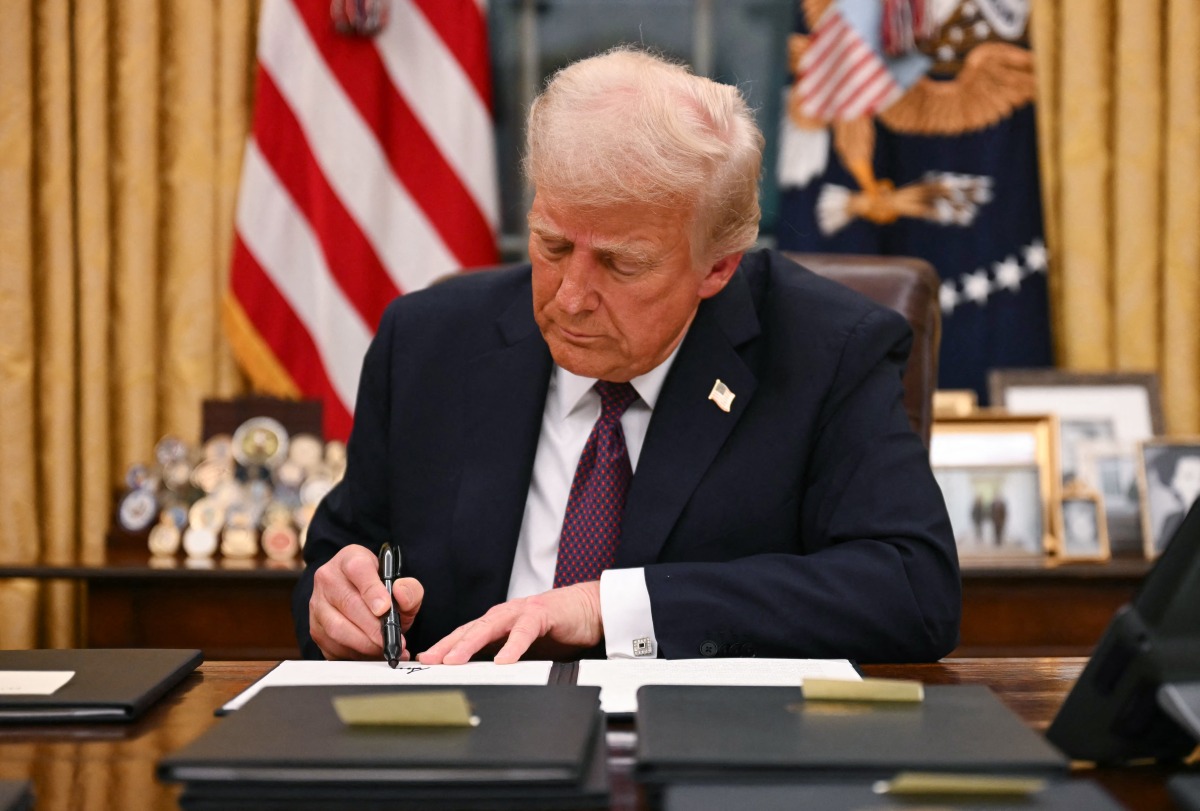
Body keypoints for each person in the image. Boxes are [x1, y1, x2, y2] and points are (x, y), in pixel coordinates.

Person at [293, 47, 961, 666]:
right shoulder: (429, 343)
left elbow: (911, 588)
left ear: (718, 267)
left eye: (622, 264)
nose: (573, 297)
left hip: (702, 764)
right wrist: (335, 604)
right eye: (552, 247)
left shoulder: (825, 352)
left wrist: (609, 608)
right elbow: (340, 556)